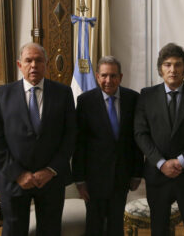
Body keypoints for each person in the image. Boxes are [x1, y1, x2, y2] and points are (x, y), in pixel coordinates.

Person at [0, 42, 76, 236]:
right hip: (14, 180)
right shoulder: (1, 95)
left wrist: (50, 170)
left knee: (50, 229)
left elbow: (70, 137)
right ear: (20, 65)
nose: (34, 65)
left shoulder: (63, 93)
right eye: (28, 60)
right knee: (14, 231)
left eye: (38, 60)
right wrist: (19, 174)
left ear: (46, 64)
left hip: (50, 180)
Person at [134, 43, 184, 236]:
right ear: (160, 69)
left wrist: (181, 161)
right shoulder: (146, 95)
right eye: (167, 64)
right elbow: (140, 133)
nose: (173, 69)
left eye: (178, 64)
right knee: (159, 230)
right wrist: (161, 163)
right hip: (157, 175)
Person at [72, 56, 144, 236]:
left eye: (113, 76)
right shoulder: (85, 101)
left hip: (122, 175)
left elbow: (137, 140)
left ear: (120, 77)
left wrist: (137, 173)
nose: (108, 81)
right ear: (97, 76)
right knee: (94, 226)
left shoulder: (133, 99)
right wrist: (80, 180)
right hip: (94, 178)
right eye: (104, 76)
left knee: (115, 226)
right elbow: (79, 144)